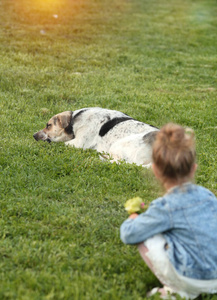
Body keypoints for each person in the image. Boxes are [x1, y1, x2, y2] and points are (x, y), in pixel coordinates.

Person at [120, 123, 217, 299]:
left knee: (147, 235)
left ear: (156, 171)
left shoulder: (164, 207)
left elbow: (129, 235)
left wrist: (133, 217)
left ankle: (175, 290)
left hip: (193, 278)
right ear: (193, 168)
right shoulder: (209, 196)